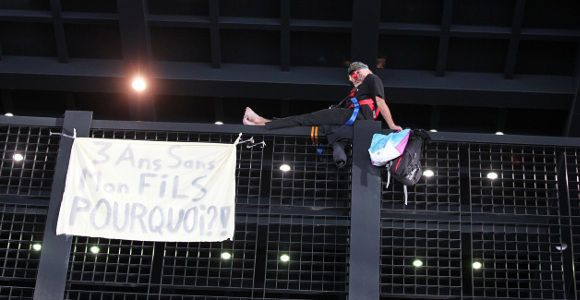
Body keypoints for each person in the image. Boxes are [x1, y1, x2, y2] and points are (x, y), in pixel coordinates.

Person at [243, 61, 402, 131]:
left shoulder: (372, 78)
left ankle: (261, 122)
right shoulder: (360, 89)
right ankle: (263, 122)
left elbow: (381, 102)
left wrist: (392, 125)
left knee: (306, 119)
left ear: (359, 72)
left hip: (352, 117)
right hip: (352, 118)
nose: (351, 81)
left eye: (352, 77)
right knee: (305, 120)